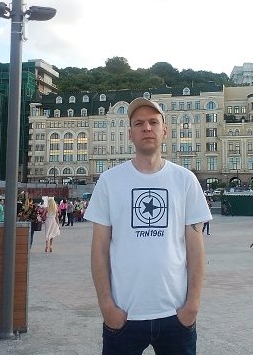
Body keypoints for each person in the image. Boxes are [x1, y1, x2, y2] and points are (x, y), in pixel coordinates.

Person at [85, 97, 212, 355]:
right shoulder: (109, 181)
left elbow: (195, 248)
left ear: (165, 130)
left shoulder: (185, 180)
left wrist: (192, 306)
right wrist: (107, 306)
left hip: (175, 314)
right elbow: (99, 249)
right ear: (129, 133)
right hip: (124, 315)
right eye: (139, 123)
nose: (147, 128)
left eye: (153, 122)